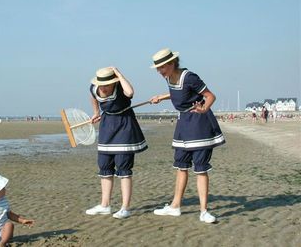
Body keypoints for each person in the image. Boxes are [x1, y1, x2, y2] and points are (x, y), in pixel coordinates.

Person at [149, 48, 225, 224]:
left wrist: (204, 108)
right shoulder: (169, 78)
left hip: (199, 124)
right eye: (158, 68)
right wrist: (161, 97)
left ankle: (204, 211)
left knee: (200, 168)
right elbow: (179, 92)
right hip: (183, 123)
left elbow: (210, 96)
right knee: (181, 166)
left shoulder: (189, 76)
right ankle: (175, 206)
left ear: (172, 63)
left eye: (162, 67)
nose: (160, 71)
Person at [85, 67, 148, 219]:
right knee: (105, 166)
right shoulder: (94, 88)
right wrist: (96, 112)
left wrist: (119, 74)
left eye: (106, 84)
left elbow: (130, 93)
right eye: (101, 84)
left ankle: (125, 208)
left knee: (123, 167)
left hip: (124, 126)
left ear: (113, 82)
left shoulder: (121, 87)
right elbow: (93, 97)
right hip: (107, 126)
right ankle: (105, 205)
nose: (103, 87)